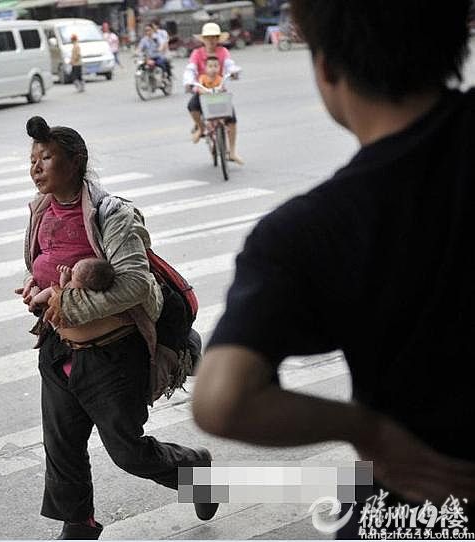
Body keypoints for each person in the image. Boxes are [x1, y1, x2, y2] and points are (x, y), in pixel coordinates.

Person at [192, 0, 475, 538]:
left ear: (327, 69)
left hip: (430, 502)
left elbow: (221, 399)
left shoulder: (308, 231)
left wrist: (367, 430)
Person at [15, 116, 218, 540]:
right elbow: (44, 264)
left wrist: (65, 301)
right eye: (32, 159)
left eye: (46, 158)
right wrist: (38, 287)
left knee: (128, 452)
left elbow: (136, 285)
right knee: (61, 444)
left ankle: (192, 469)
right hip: (58, 350)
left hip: (111, 355)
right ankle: (79, 524)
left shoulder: (113, 214)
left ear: (76, 162)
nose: (35, 167)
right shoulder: (39, 211)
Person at [183, 22, 243, 162]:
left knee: (232, 119)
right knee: (192, 106)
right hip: (203, 90)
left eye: (214, 37)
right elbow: (190, 69)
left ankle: (232, 151)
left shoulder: (223, 52)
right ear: (204, 39)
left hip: (219, 90)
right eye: (208, 37)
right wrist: (188, 82)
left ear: (218, 39)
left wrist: (234, 72)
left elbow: (230, 65)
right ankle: (200, 127)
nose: (211, 40)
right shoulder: (197, 53)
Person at [31, 259, 119, 347]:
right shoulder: (79, 284)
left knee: (52, 290)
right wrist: (65, 275)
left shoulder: (76, 291)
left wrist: (64, 279)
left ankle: (34, 300)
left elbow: (63, 288)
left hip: (61, 324)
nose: (72, 270)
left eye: (73, 274)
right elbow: (64, 286)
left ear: (83, 285)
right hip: (63, 328)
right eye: (76, 266)